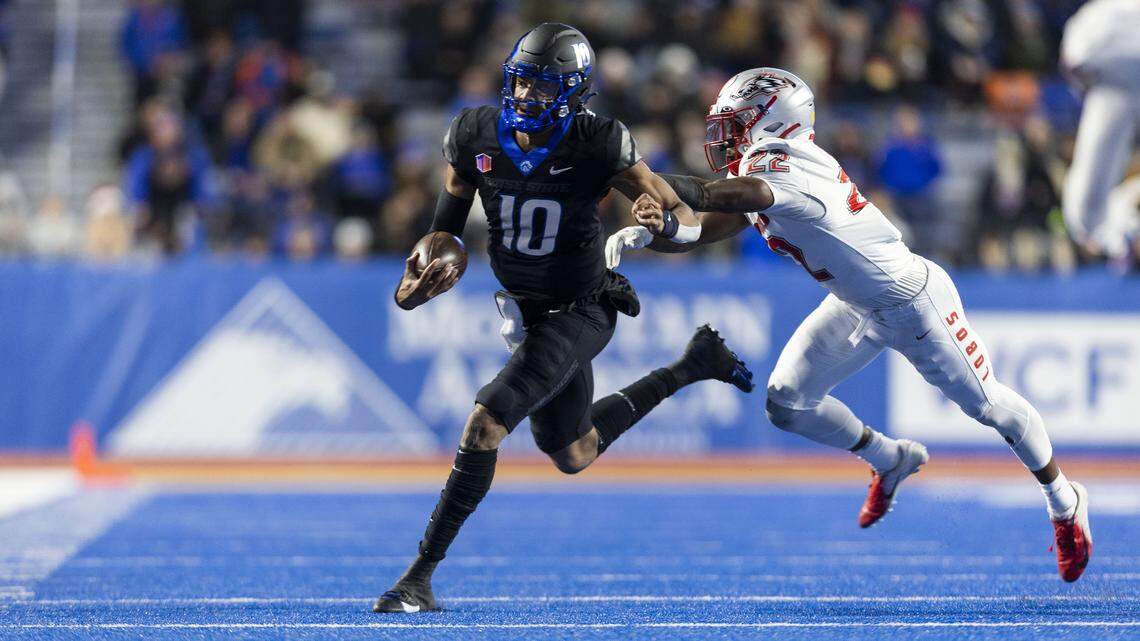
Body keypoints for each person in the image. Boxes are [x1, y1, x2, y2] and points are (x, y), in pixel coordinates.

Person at [606, 67, 1091, 583]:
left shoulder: (785, 166)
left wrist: (637, 177)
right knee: (787, 404)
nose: (723, 137)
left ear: (771, 119)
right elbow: (702, 229)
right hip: (854, 302)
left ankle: (1064, 500)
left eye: (736, 122)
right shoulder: (761, 168)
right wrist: (654, 229)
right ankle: (890, 458)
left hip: (913, 301)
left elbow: (726, 197)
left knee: (991, 407)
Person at [373, 24, 755, 614]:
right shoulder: (472, 132)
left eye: (542, 86)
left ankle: (418, 577)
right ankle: (692, 365)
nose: (525, 97)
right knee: (572, 452)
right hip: (525, 311)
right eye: (521, 81)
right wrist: (423, 267)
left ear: (573, 93)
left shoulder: (599, 141)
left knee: (485, 424)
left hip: (583, 307)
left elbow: (680, 215)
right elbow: (446, 221)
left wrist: (662, 219)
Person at [1059, 0, 1140, 261]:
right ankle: (1093, 234)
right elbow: (1074, 61)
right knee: (1095, 166)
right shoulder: (1100, 14)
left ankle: (1096, 233)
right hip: (1112, 86)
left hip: (1112, 83)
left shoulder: (1099, 14)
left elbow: (1073, 64)